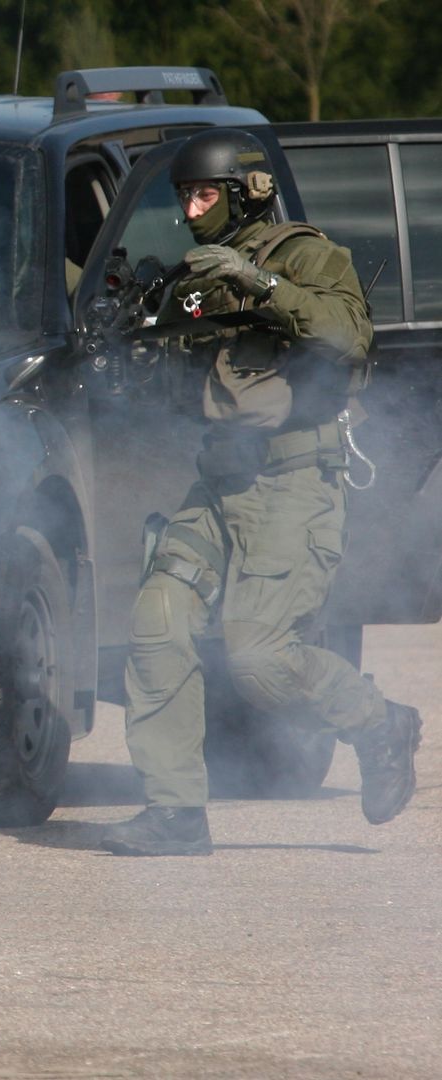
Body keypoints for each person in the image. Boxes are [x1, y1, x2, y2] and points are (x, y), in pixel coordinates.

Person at [100, 128, 422, 857]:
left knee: (258, 656)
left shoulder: (308, 256)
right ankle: (175, 812)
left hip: (293, 480)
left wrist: (257, 284)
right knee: (155, 624)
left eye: (204, 193)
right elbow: (176, 369)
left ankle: (377, 722)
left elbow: (346, 334)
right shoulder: (195, 275)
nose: (190, 211)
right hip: (217, 479)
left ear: (248, 190)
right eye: (183, 196)